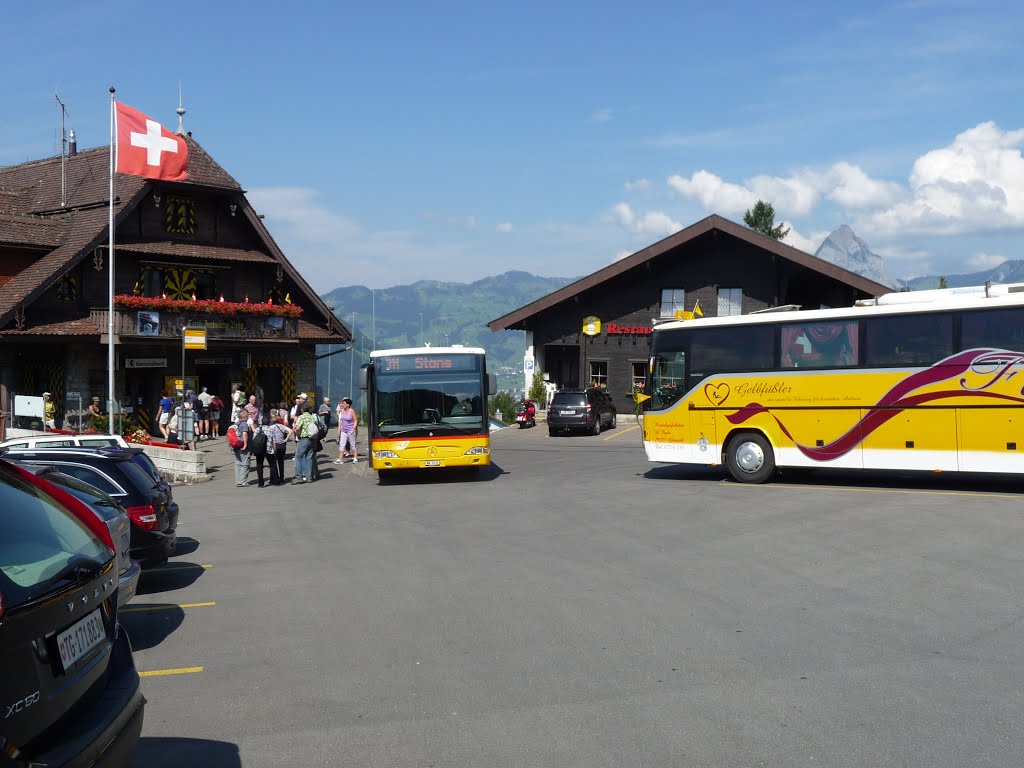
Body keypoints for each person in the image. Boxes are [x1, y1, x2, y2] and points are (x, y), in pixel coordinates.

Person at [292, 403, 317, 484]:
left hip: (304, 439)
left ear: (302, 410)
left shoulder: (301, 417)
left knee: (298, 457)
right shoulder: (312, 417)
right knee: (309, 458)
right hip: (312, 439)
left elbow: (297, 428)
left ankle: (298, 477)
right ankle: (309, 477)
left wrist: (297, 435)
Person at [267, 410, 292, 485]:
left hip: (275, 445)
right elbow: (290, 431)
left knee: (274, 462)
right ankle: (282, 478)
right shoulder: (282, 426)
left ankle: (274, 478)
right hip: (282, 445)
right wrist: (286, 439)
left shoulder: (271, 427)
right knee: (281, 462)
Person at [334, 397, 359, 464]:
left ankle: (355, 458)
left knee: (353, 444)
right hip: (344, 430)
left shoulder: (351, 411)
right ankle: (340, 459)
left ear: (348, 404)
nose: (342, 405)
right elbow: (341, 420)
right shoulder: (342, 411)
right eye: (342, 403)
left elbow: (355, 420)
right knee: (342, 444)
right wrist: (339, 428)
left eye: (344, 403)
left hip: (351, 430)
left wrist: (354, 428)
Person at [233, 413, 253, 487]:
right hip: (243, 446)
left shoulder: (236, 424)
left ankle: (238, 480)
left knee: (238, 463)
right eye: (247, 417)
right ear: (244, 417)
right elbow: (244, 433)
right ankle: (243, 481)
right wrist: (245, 444)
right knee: (245, 464)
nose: (247, 418)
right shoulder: (244, 424)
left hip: (236, 446)